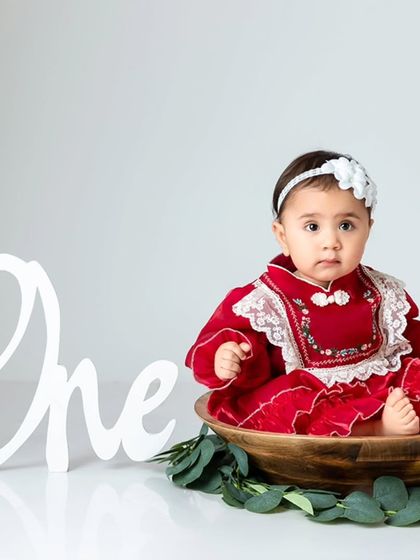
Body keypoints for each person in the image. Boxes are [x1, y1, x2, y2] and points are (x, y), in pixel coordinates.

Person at [185, 150, 420, 437]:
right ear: (283, 236)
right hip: (312, 393)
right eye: (312, 227)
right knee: (297, 409)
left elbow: (409, 339)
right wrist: (230, 356)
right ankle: (376, 429)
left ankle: (389, 421)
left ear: (368, 230)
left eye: (346, 226)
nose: (330, 242)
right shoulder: (267, 302)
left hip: (380, 383)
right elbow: (248, 354)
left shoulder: (378, 292)